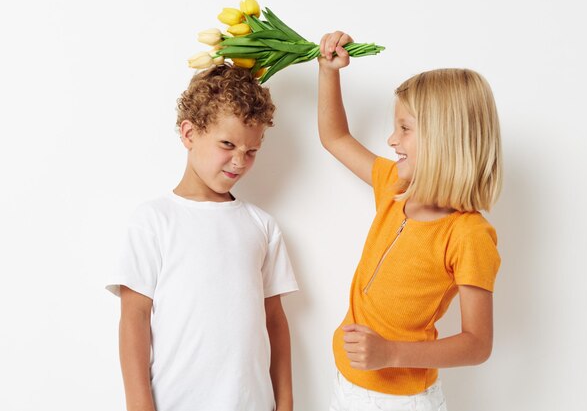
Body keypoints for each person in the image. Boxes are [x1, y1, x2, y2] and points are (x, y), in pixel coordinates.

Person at [317, 31, 502, 411]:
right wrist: (328, 72)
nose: (391, 139)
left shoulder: (468, 234)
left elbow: (478, 344)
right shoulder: (394, 186)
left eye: (405, 128)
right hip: (348, 386)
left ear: (443, 139)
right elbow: (334, 137)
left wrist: (390, 354)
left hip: (401, 401)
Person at [106, 63, 299, 411]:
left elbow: (275, 321)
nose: (239, 161)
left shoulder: (262, 226)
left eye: (251, 151)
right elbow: (134, 318)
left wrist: (285, 403)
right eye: (227, 144)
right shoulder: (154, 221)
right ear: (189, 133)